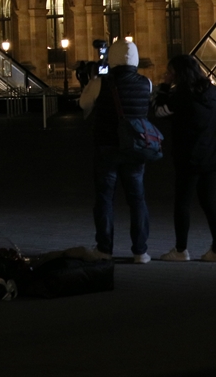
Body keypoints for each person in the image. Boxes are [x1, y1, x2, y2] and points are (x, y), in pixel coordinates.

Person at [153, 55, 216, 262]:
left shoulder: (181, 96)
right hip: (212, 156)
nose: (167, 74)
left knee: (183, 204)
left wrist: (164, 87)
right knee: (209, 203)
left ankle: (181, 250)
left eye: (170, 72)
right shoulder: (215, 93)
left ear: (178, 74)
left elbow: (158, 112)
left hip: (188, 156)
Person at [79, 39, 152, 263]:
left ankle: (104, 248)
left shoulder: (102, 82)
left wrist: (91, 79)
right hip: (135, 147)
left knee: (104, 199)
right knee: (137, 199)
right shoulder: (146, 82)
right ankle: (140, 251)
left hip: (107, 145)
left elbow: (83, 104)